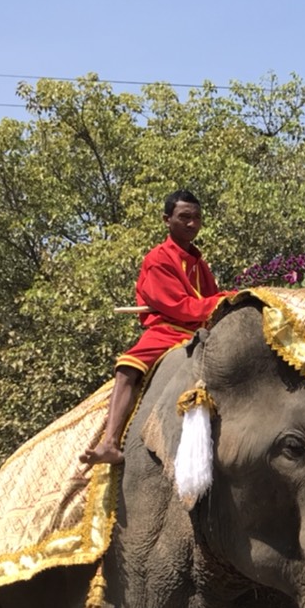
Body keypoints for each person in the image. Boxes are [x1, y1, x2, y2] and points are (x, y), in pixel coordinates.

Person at [80, 190, 235, 467]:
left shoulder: (200, 263)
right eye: (184, 217)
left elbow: (210, 299)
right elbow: (179, 306)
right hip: (168, 329)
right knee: (128, 365)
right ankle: (110, 442)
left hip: (200, 329)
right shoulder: (157, 258)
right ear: (167, 219)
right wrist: (222, 300)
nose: (192, 224)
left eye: (197, 218)